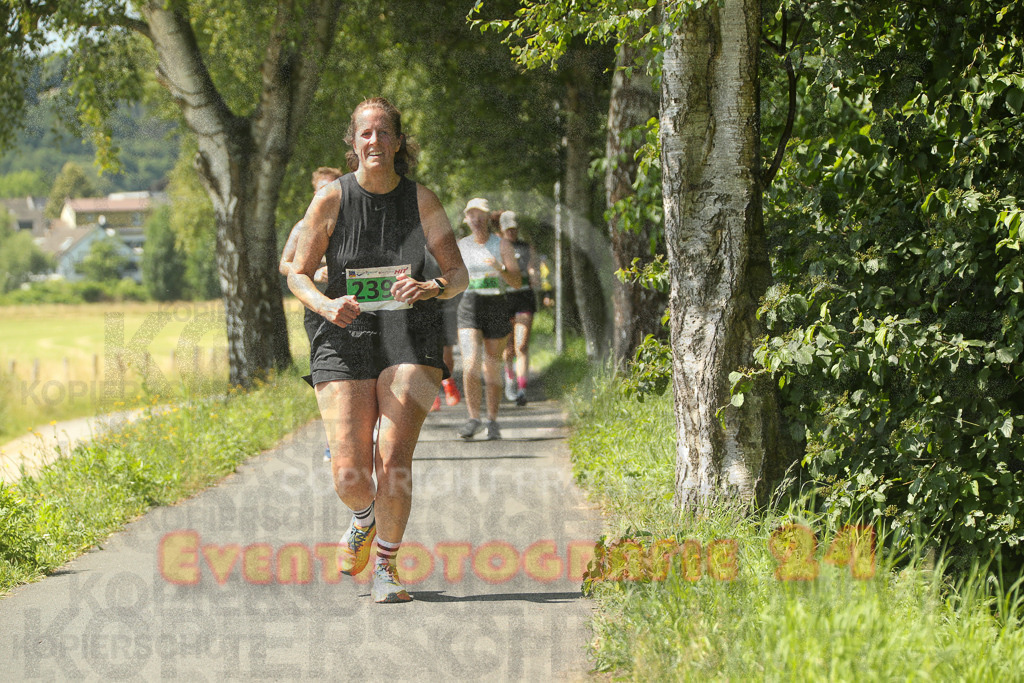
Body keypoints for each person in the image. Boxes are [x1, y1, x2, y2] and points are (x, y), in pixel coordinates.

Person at [286, 97, 467, 603]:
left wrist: (430, 288)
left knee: (393, 458)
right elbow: (298, 275)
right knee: (349, 472)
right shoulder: (331, 200)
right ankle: (363, 519)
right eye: (365, 133)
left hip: (411, 336)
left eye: (384, 132)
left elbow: (458, 276)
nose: (375, 142)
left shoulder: (422, 200)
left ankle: (386, 566)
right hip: (343, 334)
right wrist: (326, 305)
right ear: (353, 143)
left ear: (398, 142)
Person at [279, 166, 344, 461]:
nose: (325, 193)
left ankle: (364, 435)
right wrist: (315, 272)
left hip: (352, 305)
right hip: (316, 309)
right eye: (320, 188)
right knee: (326, 375)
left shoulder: (351, 222)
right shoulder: (302, 226)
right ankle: (333, 439)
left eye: (331, 187)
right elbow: (285, 264)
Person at [455, 197, 521, 440]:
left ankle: (492, 421)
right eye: (471, 214)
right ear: (467, 219)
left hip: (495, 305)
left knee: (492, 369)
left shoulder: (501, 245)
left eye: (480, 214)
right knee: (470, 364)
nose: (476, 218)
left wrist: (501, 268)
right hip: (469, 306)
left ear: (487, 217)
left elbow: (517, 281)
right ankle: (473, 418)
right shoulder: (461, 246)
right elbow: (451, 278)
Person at [499, 211, 539, 407]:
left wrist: (534, 275)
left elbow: (532, 266)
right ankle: (509, 379)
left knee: (521, 346)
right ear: (502, 229)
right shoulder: (497, 247)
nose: (512, 232)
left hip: (524, 298)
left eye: (514, 228)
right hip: (504, 300)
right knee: (508, 349)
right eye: (508, 229)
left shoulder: (526, 247)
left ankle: (522, 390)